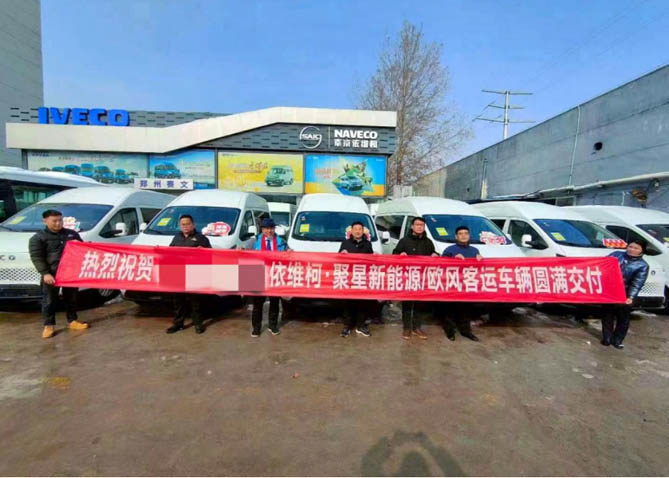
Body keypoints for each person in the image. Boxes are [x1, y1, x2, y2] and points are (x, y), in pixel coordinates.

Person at [29, 209, 88, 339]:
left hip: (70, 273)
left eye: (60, 220)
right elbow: (37, 257)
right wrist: (45, 273)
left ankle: (72, 321)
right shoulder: (38, 238)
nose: (58, 223)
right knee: (49, 300)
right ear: (45, 221)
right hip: (52, 274)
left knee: (71, 298)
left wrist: (86, 247)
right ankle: (49, 325)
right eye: (54, 221)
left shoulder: (71, 234)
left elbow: (81, 249)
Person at [393, 216, 439, 340]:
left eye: (421, 225)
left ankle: (417, 327)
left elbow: (433, 254)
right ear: (412, 227)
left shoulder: (428, 242)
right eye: (417, 225)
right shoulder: (404, 241)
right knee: (407, 304)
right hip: (408, 277)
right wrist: (400, 254)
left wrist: (435, 255)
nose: (419, 227)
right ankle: (407, 328)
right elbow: (395, 253)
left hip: (422, 278)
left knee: (420, 304)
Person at [166, 214, 211, 334]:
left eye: (187, 224)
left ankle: (198, 324)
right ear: (180, 226)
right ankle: (178, 324)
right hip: (178, 273)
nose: (185, 226)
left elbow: (210, 255)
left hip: (194, 273)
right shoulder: (176, 238)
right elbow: (169, 252)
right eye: (182, 224)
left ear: (193, 225)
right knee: (178, 301)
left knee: (195, 302)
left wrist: (203, 251)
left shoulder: (201, 238)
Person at [601, 239, 649, 349]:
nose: (632, 249)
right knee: (607, 315)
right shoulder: (616, 255)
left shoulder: (642, 265)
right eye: (630, 247)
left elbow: (637, 283)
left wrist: (630, 297)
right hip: (610, 291)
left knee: (623, 318)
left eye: (636, 248)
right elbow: (603, 265)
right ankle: (607, 338)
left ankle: (618, 340)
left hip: (625, 294)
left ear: (642, 251)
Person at [440, 226, 482, 342]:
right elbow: (440, 265)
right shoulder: (449, 250)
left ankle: (466, 331)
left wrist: (481, 260)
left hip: (467, 285)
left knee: (466, 310)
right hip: (452, 284)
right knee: (450, 309)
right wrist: (452, 259)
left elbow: (479, 270)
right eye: (460, 233)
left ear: (469, 235)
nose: (463, 236)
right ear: (456, 236)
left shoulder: (474, 251)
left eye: (466, 233)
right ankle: (450, 332)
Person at [251, 218, 287, 337]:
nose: (269, 231)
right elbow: (247, 254)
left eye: (271, 228)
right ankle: (256, 328)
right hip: (259, 275)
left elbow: (286, 256)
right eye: (266, 228)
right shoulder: (255, 241)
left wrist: (290, 252)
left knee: (274, 303)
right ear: (262, 229)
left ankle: (273, 326)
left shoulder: (281, 242)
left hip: (275, 276)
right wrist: (241, 250)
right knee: (257, 304)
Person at [338, 221, 374, 337]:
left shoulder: (367, 244)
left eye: (360, 229)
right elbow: (339, 258)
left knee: (362, 303)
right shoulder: (345, 243)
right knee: (348, 303)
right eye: (355, 229)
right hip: (349, 278)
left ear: (363, 231)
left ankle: (361, 326)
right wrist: (342, 253)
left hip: (362, 278)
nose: (358, 231)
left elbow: (371, 260)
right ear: (351, 231)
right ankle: (347, 326)